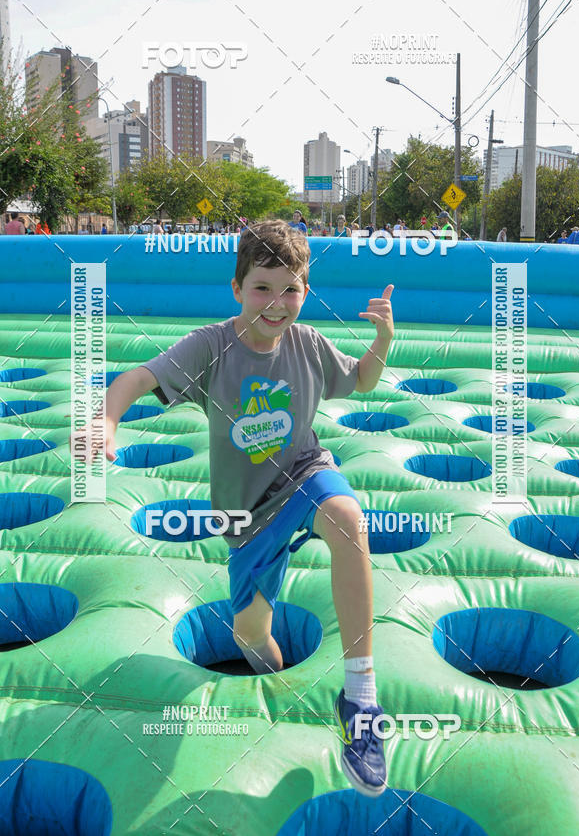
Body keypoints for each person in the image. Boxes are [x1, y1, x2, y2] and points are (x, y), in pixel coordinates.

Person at [75, 220, 392, 797]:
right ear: (237, 288)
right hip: (242, 519)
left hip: (303, 475)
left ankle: (361, 698)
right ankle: (281, 696)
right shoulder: (211, 346)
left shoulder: (309, 343)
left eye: (290, 290)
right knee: (250, 640)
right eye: (262, 289)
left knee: (348, 520)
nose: (277, 304)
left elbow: (363, 381)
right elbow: (138, 377)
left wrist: (382, 339)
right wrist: (107, 417)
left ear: (305, 291)